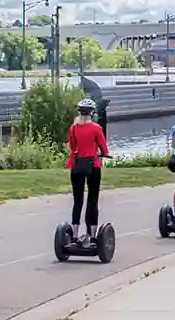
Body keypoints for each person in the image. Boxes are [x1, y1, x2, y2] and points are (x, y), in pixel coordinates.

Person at [66, 98, 110, 247]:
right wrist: (104, 153)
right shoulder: (96, 128)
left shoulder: (73, 128)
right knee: (92, 200)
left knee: (77, 201)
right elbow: (103, 148)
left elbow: (72, 147)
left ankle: (75, 235)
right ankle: (92, 236)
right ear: (92, 113)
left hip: (77, 165)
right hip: (93, 166)